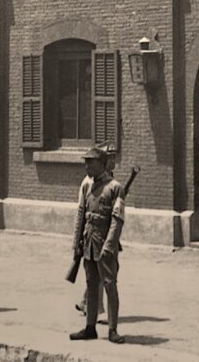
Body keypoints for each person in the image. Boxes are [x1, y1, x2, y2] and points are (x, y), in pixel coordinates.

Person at [70, 147, 125, 345]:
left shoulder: (115, 187)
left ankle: (112, 329)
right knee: (91, 285)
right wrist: (76, 243)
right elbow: (81, 215)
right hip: (89, 243)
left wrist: (109, 246)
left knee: (109, 285)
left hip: (105, 245)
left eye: (90, 162)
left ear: (101, 164)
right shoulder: (86, 186)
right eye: (85, 162)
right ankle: (90, 327)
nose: (86, 166)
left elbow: (117, 219)